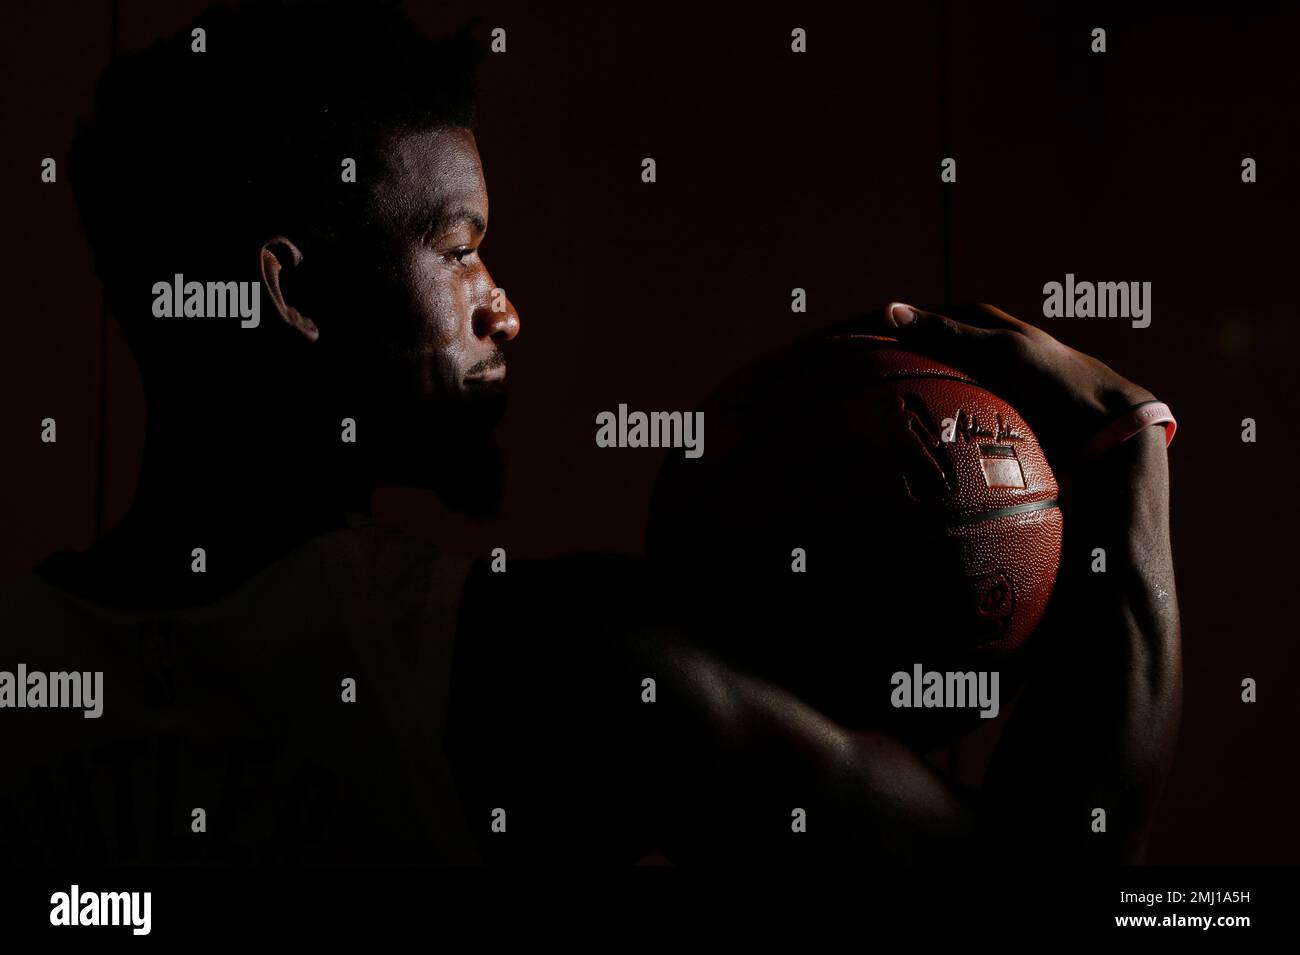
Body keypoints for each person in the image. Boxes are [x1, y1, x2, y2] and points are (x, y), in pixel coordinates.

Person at [0, 1, 1180, 866]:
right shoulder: (530, 664)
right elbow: (1034, 883)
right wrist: (1127, 444)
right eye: (460, 249)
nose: (504, 305)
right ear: (293, 294)